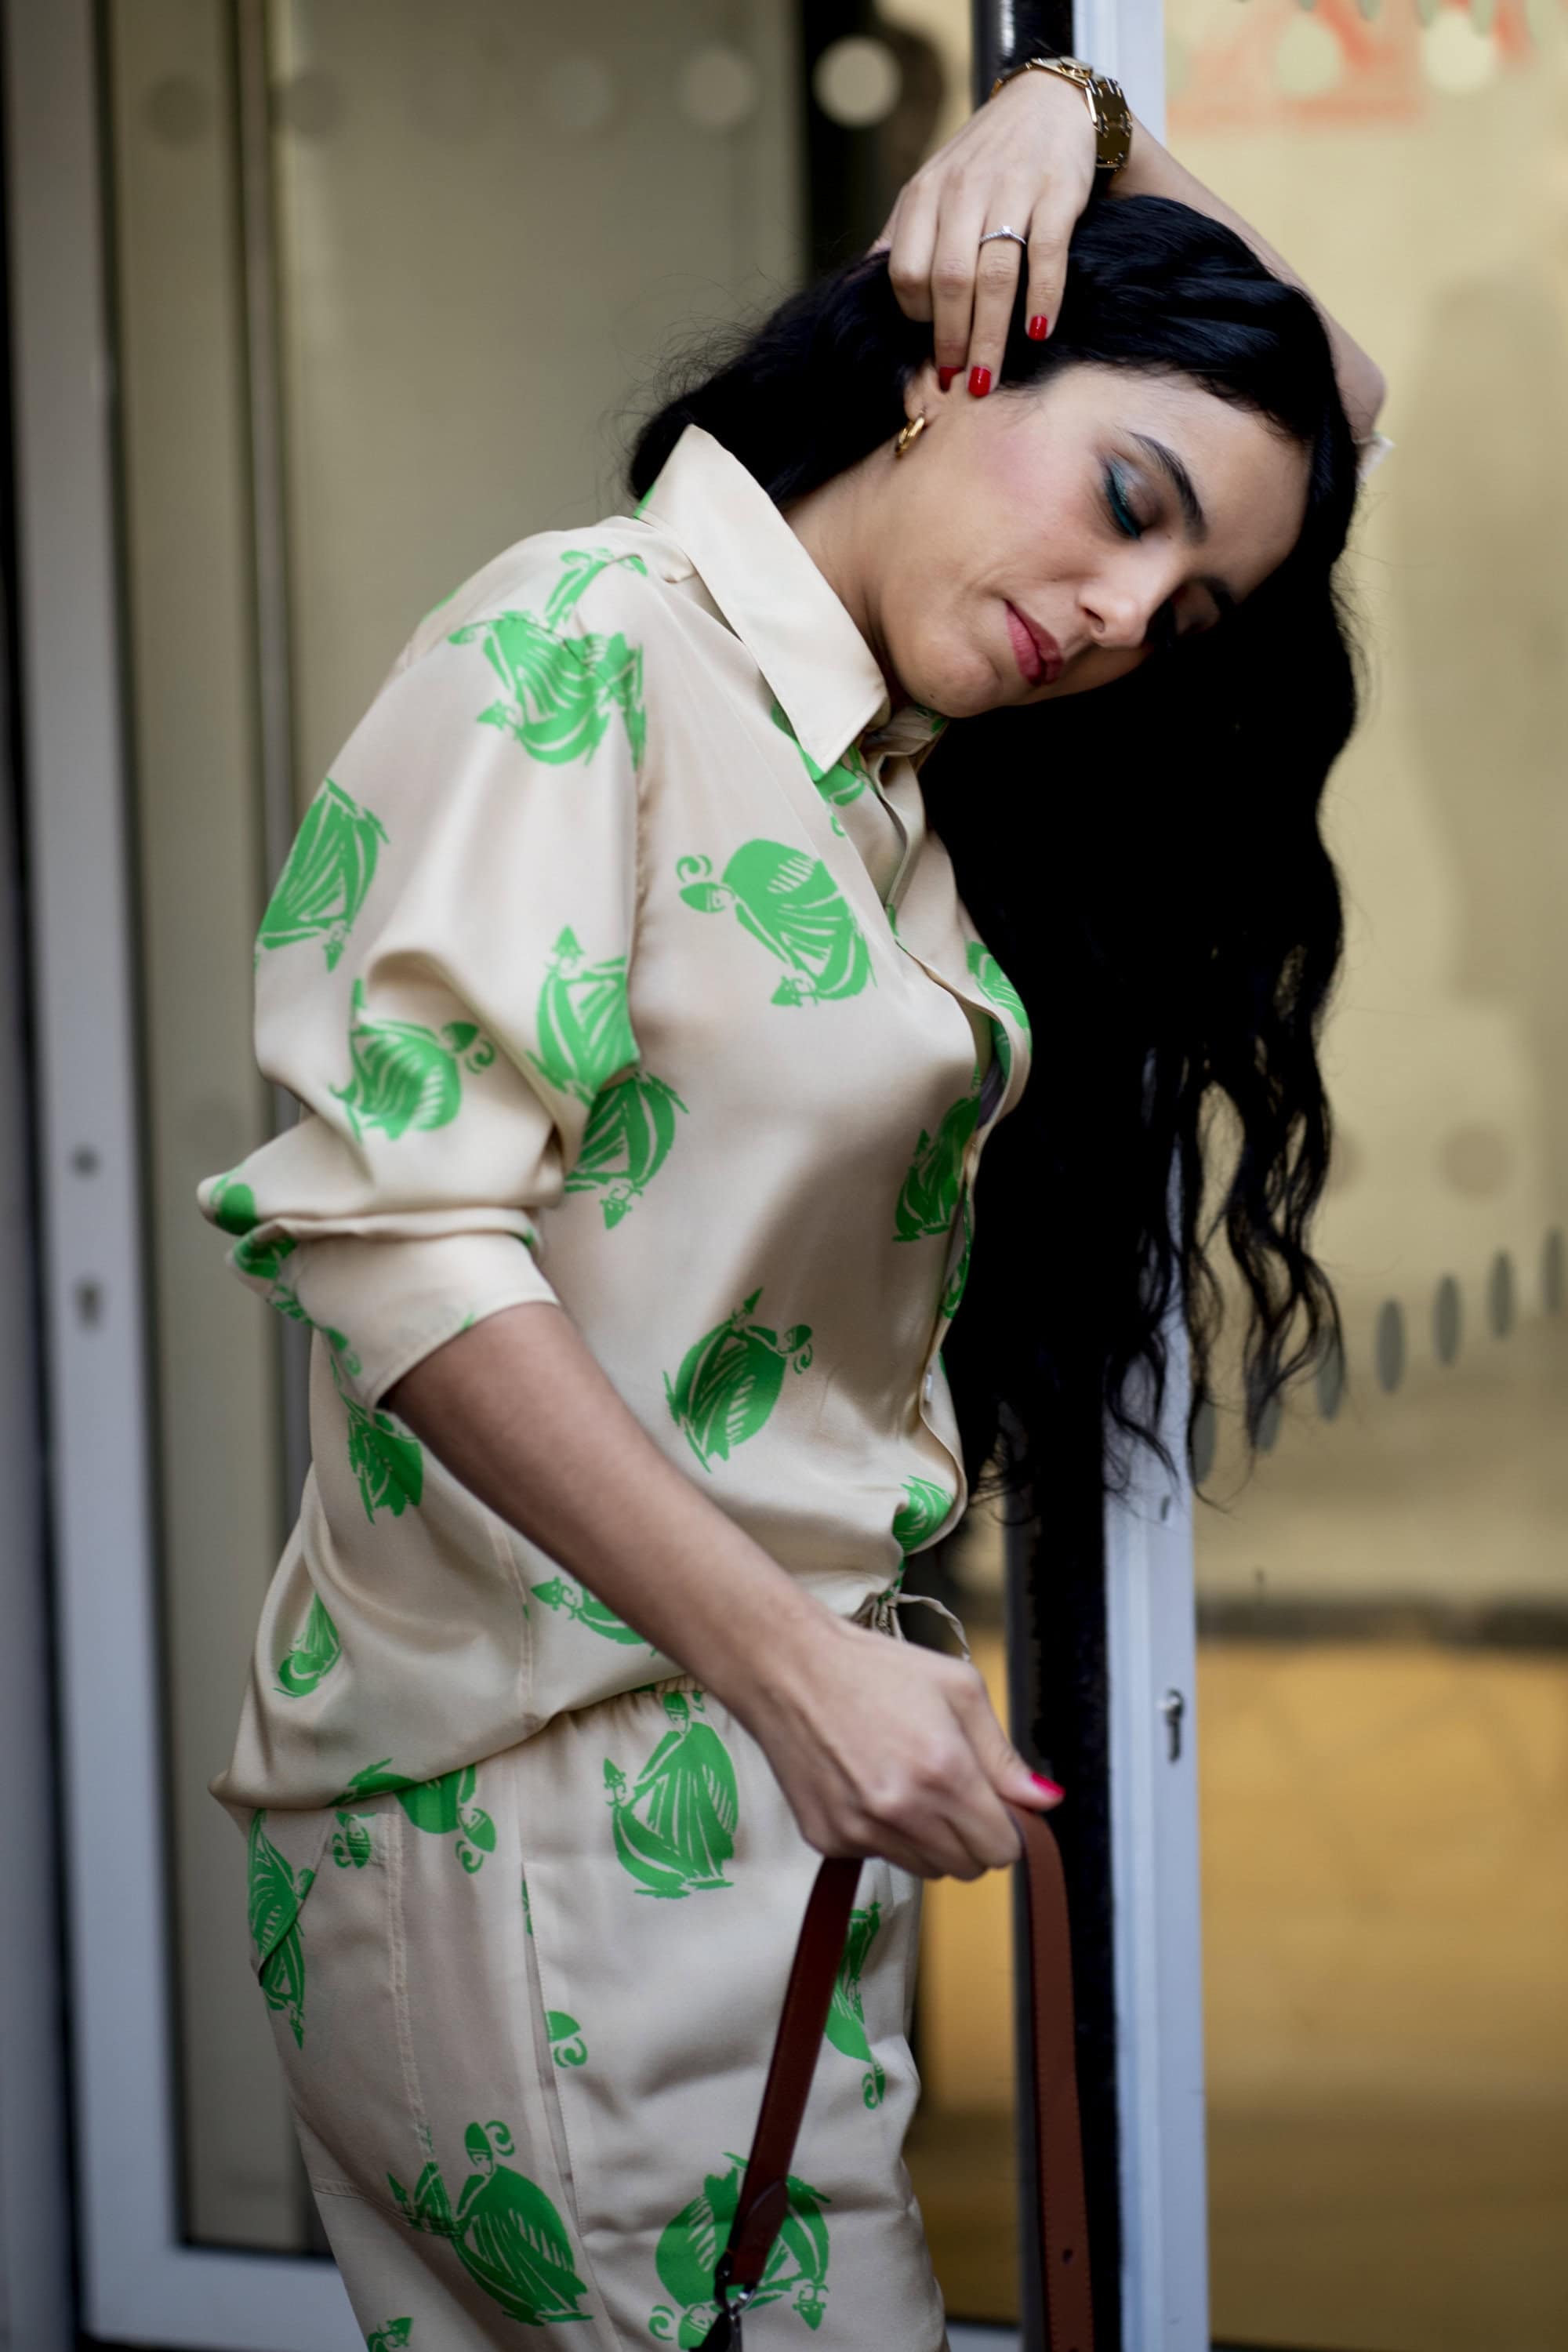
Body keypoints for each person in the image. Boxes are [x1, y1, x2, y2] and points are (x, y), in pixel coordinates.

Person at [201, 56, 1385, 2352]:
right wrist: (1046, 132)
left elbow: (1324, 398)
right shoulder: (593, 643)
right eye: (1126, 503)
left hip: (743, 1791)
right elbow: (391, 1235)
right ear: (958, 356)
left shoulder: (873, 769)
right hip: (542, 1803)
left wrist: (1074, 123)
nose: (1127, 609)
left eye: (1187, 608)